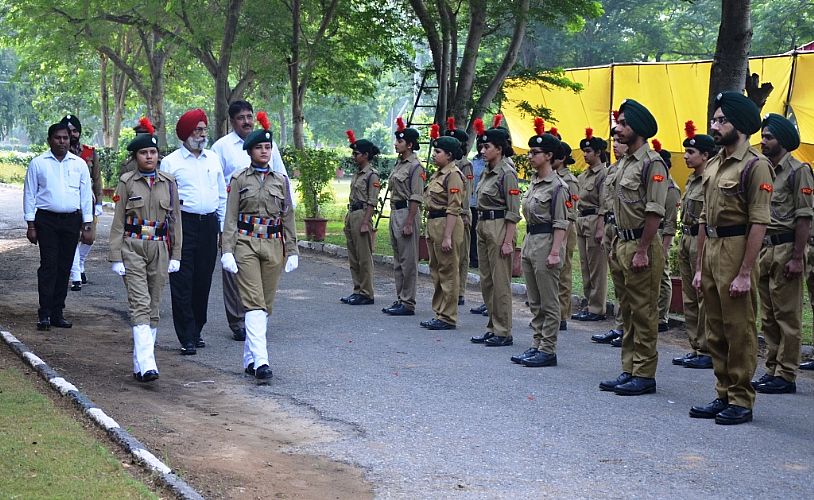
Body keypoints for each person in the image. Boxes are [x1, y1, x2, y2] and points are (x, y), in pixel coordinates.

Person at [689, 91, 773, 425]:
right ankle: (722, 391)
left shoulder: (755, 166)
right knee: (716, 327)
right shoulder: (713, 164)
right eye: (714, 119)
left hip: (737, 249)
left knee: (739, 328)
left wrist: (744, 272)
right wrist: (698, 266)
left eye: (722, 120)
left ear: (738, 125)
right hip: (711, 249)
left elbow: (759, 222)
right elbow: (702, 219)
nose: (715, 124)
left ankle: (741, 398)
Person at [220, 114, 299, 381]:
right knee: (253, 302)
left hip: (274, 244)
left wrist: (293, 250)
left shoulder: (281, 181)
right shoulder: (240, 178)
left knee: (265, 304)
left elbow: (287, 216)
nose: (264, 151)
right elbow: (230, 216)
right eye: (259, 148)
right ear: (250, 151)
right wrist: (227, 250)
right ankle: (262, 361)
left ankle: (250, 358)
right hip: (245, 243)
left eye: (268, 148)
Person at [598, 99, 668, 396]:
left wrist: (642, 249)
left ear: (637, 128)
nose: (618, 128)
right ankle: (628, 369)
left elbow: (654, 211)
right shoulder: (624, 163)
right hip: (621, 243)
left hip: (641, 245)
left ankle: (644, 373)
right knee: (626, 311)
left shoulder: (652, 163)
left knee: (643, 312)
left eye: (624, 123)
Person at [212, 100, 294, 341]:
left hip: (267, 227)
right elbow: (218, 187)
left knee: (264, 281)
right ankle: (238, 321)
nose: (247, 121)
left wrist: (290, 232)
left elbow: (282, 178)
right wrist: (221, 227)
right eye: (241, 117)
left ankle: (255, 319)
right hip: (233, 220)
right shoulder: (221, 147)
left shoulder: (269, 145)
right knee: (233, 273)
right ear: (232, 121)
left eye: (249, 116)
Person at [108, 121, 182, 382]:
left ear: (157, 155)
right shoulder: (127, 182)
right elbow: (118, 221)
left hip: (160, 248)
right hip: (133, 245)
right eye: (143, 153)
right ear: (135, 157)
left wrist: (177, 255)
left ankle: (141, 363)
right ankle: (149, 363)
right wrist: (115, 255)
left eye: (152, 153)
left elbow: (175, 222)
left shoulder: (169, 183)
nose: (149, 157)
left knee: (154, 305)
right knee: (139, 302)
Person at [751, 113, 813, 394]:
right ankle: (773, 367)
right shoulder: (765, 171)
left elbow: (804, 216)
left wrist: (799, 257)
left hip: (788, 248)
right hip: (766, 248)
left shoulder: (799, 171)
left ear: (783, 141)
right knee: (769, 315)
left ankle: (786, 374)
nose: (763, 142)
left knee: (787, 315)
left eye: (769, 137)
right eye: (762, 136)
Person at [161, 108, 227, 355]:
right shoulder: (171, 162)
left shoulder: (213, 159)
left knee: (203, 280)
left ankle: (197, 328)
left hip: (209, 224)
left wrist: (221, 228)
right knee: (182, 281)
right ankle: (186, 334)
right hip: (183, 225)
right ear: (186, 134)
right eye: (197, 130)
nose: (201, 134)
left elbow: (221, 194)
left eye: (203, 129)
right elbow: (165, 198)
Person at [23, 122, 94, 330]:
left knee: (64, 267)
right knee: (49, 266)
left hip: (72, 220)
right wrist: (30, 224)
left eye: (65, 138)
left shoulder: (79, 164)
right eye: (58, 138)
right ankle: (44, 313)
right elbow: (29, 194)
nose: (62, 141)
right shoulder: (38, 163)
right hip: (46, 220)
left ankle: (57, 313)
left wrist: (87, 224)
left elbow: (85, 195)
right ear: (49, 140)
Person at [511, 119, 568, 367]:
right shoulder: (534, 183)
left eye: (536, 153)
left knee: (548, 300)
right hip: (531, 239)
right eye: (531, 152)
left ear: (549, 156)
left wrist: (555, 252)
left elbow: (561, 223)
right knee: (534, 300)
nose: (531, 157)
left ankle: (548, 348)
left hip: (547, 242)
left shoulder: (558, 187)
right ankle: (536, 344)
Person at [470, 115, 521, 347]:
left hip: (500, 226)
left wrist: (509, 241)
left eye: (487, 146)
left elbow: (513, 211)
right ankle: (492, 326)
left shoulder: (507, 173)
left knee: (500, 283)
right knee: (487, 281)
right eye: (481, 146)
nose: (482, 150)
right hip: (483, 225)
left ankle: (503, 331)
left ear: (499, 149)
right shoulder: (488, 171)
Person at [673, 121, 715, 369]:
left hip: (703, 240)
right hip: (687, 238)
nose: (686, 157)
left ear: (706, 155)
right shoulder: (691, 181)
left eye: (691, 152)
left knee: (704, 297)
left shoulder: (710, 181)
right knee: (689, 297)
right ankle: (696, 346)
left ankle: (708, 348)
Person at [418, 125, 465, 330]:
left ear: (449, 154)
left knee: (448, 271)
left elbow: (454, 208)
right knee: (437, 270)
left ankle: (448, 316)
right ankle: (439, 312)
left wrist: (447, 237)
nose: (434, 155)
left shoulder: (453, 175)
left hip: (447, 224)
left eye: (438, 152)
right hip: (434, 223)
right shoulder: (438, 174)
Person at [381, 117, 424, 317]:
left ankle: (408, 302)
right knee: (398, 260)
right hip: (396, 211)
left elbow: (416, 196)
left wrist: (409, 222)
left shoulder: (415, 166)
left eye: (400, 141)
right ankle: (400, 298)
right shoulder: (399, 164)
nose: (396, 144)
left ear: (409, 144)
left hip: (407, 212)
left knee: (408, 260)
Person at [593, 120, 628, 344]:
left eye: (618, 141)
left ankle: (627, 327)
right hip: (610, 225)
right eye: (613, 140)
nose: (615, 145)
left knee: (628, 282)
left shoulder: (639, 166)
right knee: (618, 281)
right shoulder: (614, 169)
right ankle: (620, 325)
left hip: (624, 229)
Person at [340, 130, 381, 305]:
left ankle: (366, 292)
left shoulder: (372, 175)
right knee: (353, 256)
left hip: (362, 215)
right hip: (352, 214)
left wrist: (366, 222)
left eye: (356, 153)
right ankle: (357, 289)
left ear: (365, 155)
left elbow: (372, 201)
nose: (354, 156)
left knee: (364, 256)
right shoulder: (358, 173)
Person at [62, 115, 102, 292]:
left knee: (89, 238)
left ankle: (80, 262)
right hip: (68, 201)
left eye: (75, 130)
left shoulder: (89, 152)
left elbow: (97, 179)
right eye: (69, 131)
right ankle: (76, 275)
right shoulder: (60, 154)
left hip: (88, 201)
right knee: (72, 238)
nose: (72, 134)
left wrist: (100, 202)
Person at [573, 128, 608, 322]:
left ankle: (597, 308)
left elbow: (604, 203)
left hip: (595, 219)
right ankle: (589, 304)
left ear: (598, 153)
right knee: (585, 265)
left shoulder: (603, 174)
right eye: (584, 151)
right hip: (582, 219)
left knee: (597, 267)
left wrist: (601, 227)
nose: (585, 155)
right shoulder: (584, 175)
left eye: (588, 152)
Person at [652, 139, 680, 333]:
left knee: (662, 275)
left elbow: (670, 222)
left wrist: (664, 247)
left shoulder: (670, 189)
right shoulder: (655, 185)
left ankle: (662, 317)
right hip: (652, 232)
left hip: (662, 233)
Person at [553, 134, 579, 332]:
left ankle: (561, 314)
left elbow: (571, 211)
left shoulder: (569, 181)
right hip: (553, 228)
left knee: (564, 271)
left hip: (566, 229)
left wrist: (562, 240)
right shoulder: (551, 178)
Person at [446, 117, 473, 306]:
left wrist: (463, 214)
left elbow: (466, 192)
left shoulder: (465, 166)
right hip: (449, 212)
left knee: (462, 255)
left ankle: (460, 291)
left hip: (461, 212)